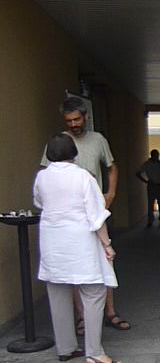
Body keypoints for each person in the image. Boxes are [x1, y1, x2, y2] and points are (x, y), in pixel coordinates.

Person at [40, 97, 130, 334]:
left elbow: (111, 167)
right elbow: (46, 173)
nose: (73, 124)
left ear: (85, 117)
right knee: (75, 268)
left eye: (77, 119)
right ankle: (81, 317)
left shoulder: (98, 139)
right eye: (68, 120)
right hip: (70, 217)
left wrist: (110, 193)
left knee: (105, 261)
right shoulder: (58, 142)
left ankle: (110, 312)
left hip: (95, 211)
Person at [34, 133, 122, 363]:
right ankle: (95, 353)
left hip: (52, 243)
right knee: (94, 293)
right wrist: (107, 244)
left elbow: (39, 203)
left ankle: (66, 348)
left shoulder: (42, 177)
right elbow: (96, 215)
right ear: (74, 153)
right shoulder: (83, 177)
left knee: (58, 293)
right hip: (80, 243)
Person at [136, 149, 160, 228]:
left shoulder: (158, 162)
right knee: (151, 204)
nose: (157, 157)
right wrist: (146, 181)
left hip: (159, 184)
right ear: (152, 155)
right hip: (152, 185)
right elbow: (138, 173)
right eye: (156, 155)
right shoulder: (147, 164)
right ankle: (150, 221)